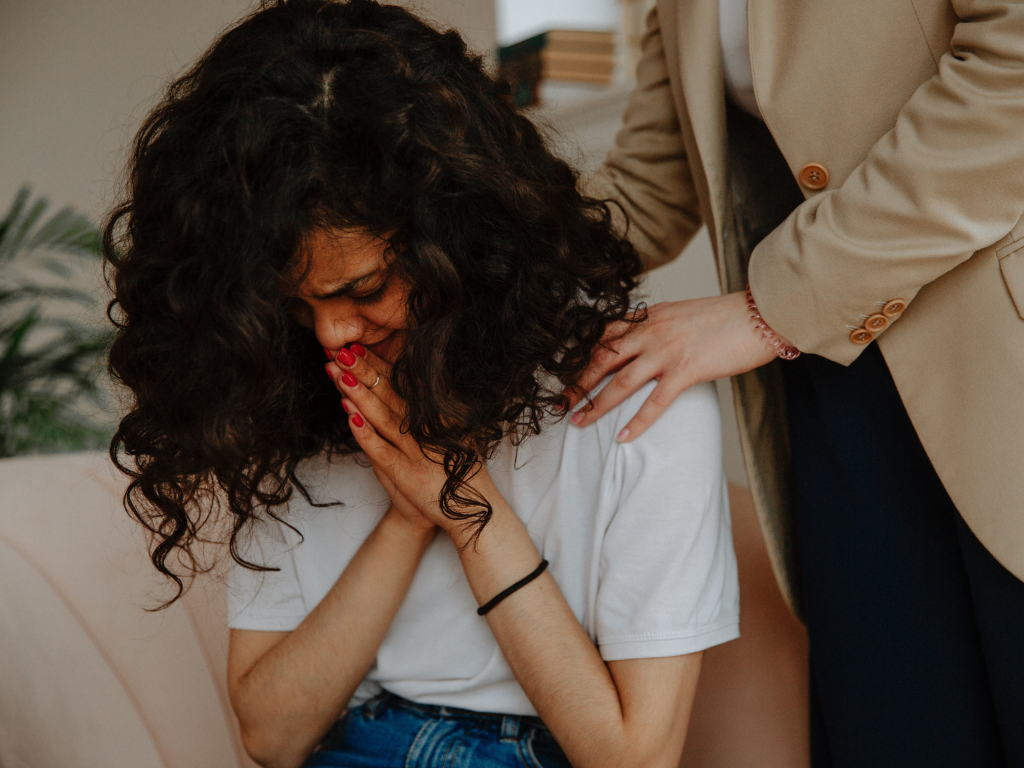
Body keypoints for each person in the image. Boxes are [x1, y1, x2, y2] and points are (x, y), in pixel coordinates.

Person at [103, 2, 739, 766]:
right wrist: (407, 517)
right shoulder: (293, 392)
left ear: (459, 239)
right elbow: (271, 736)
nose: (334, 334)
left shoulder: (637, 385)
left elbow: (633, 756)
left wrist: (463, 500)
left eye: (365, 288)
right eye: (298, 305)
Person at [570, 0, 1024, 765]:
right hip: (833, 395)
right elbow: (652, 181)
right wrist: (443, 260)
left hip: (993, 364)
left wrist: (764, 310)